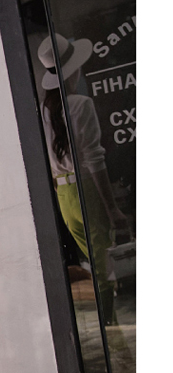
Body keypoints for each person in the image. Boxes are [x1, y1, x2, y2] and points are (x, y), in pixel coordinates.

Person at [37, 33, 128, 325]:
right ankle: (110, 324)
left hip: (64, 196)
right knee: (102, 263)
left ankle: (108, 322)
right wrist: (112, 208)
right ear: (73, 70)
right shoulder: (80, 104)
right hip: (84, 189)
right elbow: (94, 160)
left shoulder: (45, 110)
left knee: (94, 260)